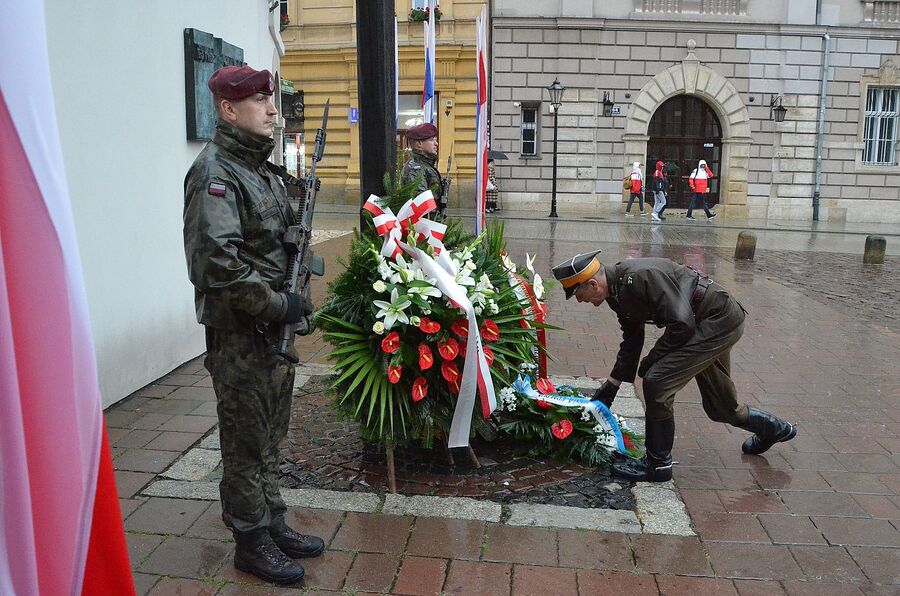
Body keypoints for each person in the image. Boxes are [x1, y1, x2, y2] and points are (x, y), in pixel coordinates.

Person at [183, 65, 324, 586]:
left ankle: (272, 521)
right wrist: (277, 305)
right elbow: (215, 265)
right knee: (244, 441)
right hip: (242, 334)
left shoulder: (260, 170)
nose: (272, 109)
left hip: (269, 335)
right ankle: (249, 540)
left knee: (268, 436)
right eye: (261, 101)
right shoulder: (215, 173)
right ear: (228, 110)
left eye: (271, 99)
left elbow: (273, 244)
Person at [551, 250, 797, 482]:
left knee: (658, 381)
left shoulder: (637, 278)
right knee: (720, 408)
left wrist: (652, 359)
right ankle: (775, 429)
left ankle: (658, 465)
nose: (582, 302)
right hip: (706, 322)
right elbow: (632, 339)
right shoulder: (616, 293)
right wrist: (612, 386)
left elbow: (682, 325)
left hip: (717, 319)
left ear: (593, 284)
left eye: (580, 296)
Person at [400, 122, 446, 214]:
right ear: (419, 144)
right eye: (432, 140)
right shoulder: (416, 168)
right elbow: (421, 204)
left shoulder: (424, 165)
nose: (436, 144)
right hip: (423, 224)